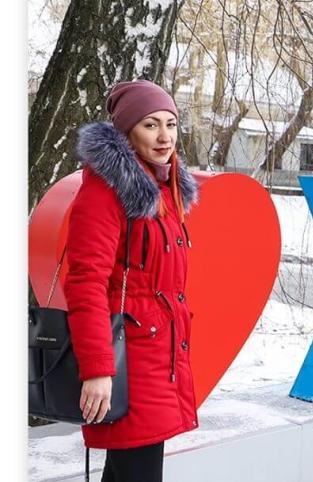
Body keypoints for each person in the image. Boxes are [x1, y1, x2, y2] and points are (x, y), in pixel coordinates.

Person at [63, 79, 200, 481]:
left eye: (171, 124)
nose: (164, 137)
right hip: (128, 362)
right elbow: (86, 282)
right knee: (136, 470)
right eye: (150, 125)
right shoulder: (106, 192)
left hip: (159, 358)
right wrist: (98, 369)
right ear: (127, 132)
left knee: (132, 470)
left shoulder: (163, 188)